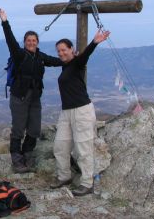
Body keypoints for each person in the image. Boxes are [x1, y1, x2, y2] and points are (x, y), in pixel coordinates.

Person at [0, 8, 63, 173]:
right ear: (24, 42)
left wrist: (71, 59)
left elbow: (56, 61)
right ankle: (17, 160)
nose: (31, 43)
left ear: (37, 42)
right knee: (19, 128)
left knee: (34, 128)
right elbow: (10, 40)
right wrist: (5, 22)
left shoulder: (40, 57)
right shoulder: (19, 54)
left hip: (35, 97)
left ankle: (28, 155)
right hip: (19, 97)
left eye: (34, 40)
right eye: (29, 40)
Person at [50, 29, 110, 196]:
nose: (61, 53)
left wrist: (94, 42)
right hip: (66, 112)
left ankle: (87, 183)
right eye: (59, 51)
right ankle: (64, 177)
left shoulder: (77, 62)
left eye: (64, 50)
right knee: (60, 146)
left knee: (83, 149)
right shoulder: (65, 65)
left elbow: (84, 56)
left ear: (71, 49)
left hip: (82, 111)